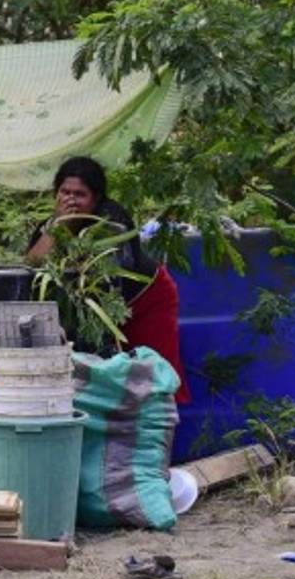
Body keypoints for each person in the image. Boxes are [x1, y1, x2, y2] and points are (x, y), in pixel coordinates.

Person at [27, 157, 189, 404]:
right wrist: (58, 227)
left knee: (153, 374)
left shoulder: (112, 222)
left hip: (145, 299)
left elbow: (110, 278)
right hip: (96, 306)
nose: (70, 200)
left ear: (96, 198)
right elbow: (32, 264)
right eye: (64, 192)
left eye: (79, 194)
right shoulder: (52, 223)